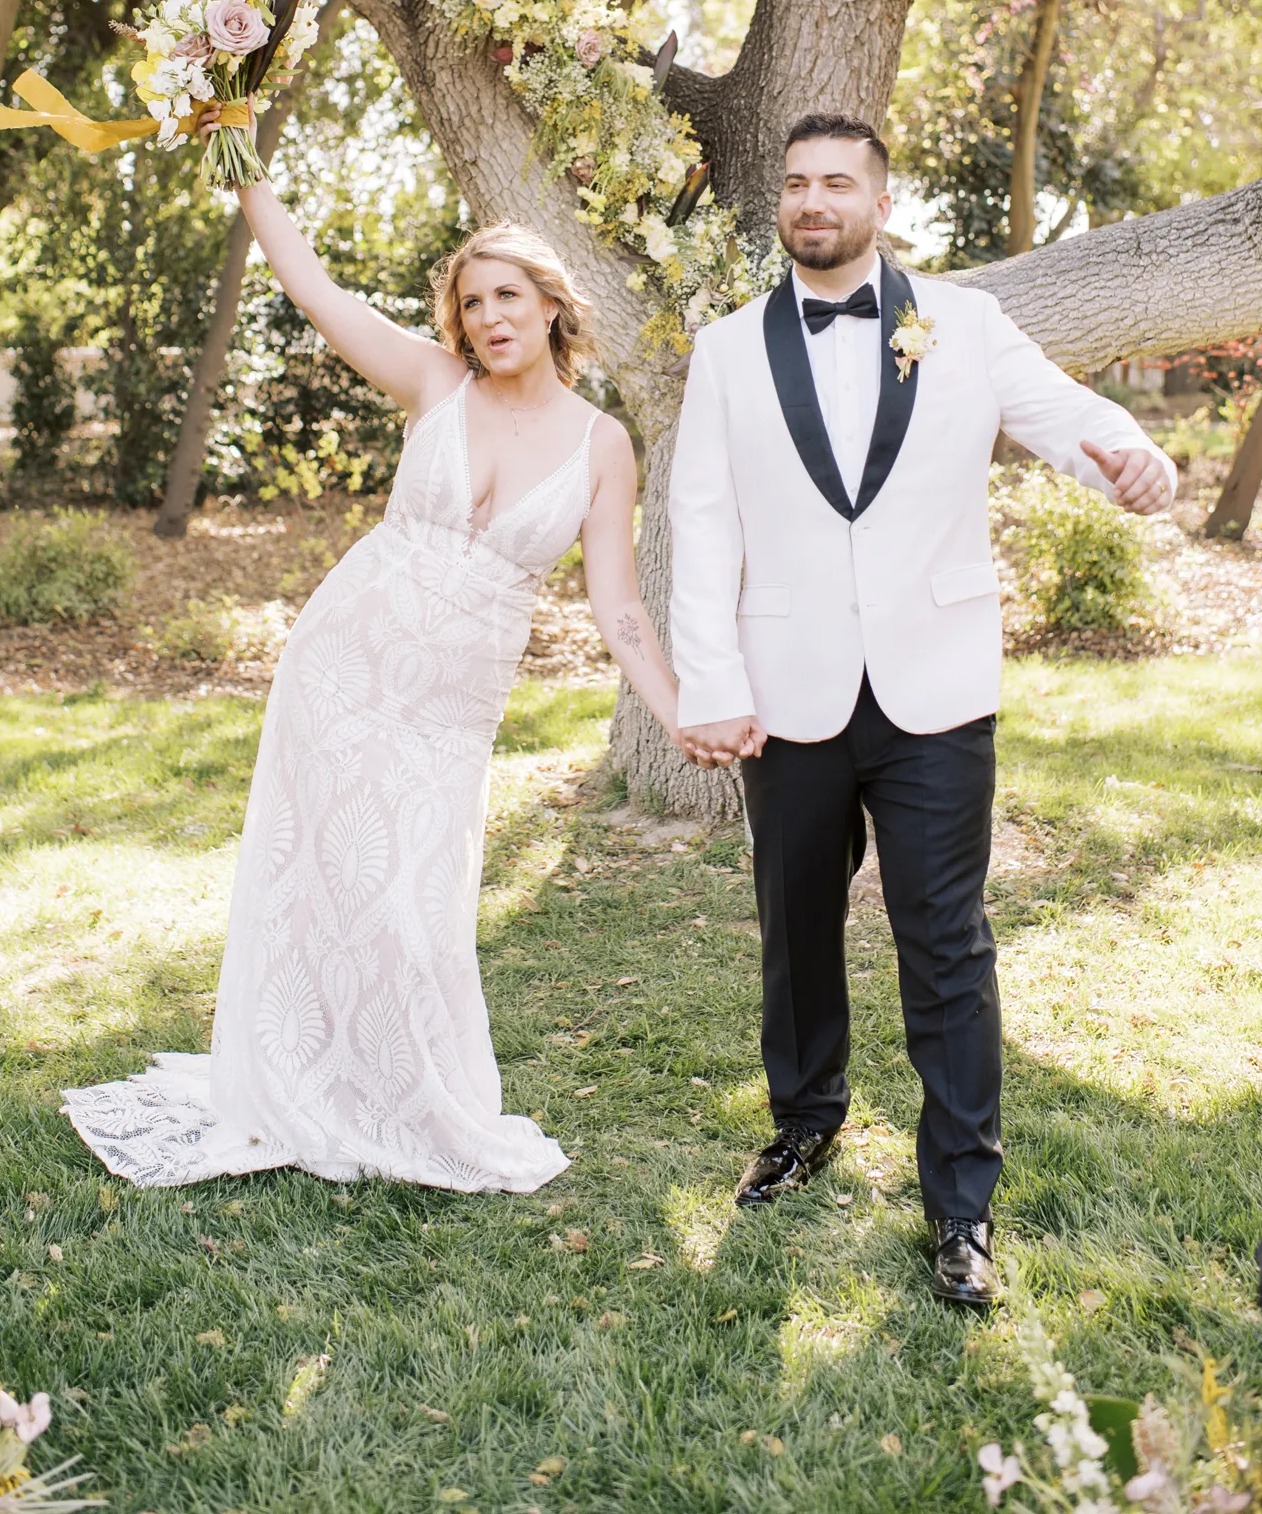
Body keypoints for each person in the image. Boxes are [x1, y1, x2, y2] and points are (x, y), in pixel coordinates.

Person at [64, 149, 680, 1193]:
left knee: (407, 903)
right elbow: (315, 289)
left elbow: (616, 602)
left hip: (449, 703)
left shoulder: (602, 444)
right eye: (471, 301)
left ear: (550, 308)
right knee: (322, 879)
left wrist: (674, 707)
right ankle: (302, 1075)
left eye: (507, 296)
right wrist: (245, 156)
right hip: (344, 664)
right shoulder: (434, 385)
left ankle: (396, 1093)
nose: (488, 317)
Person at [667, 113, 1174, 1306]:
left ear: (877, 204)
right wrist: (712, 680)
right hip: (786, 689)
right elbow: (700, 524)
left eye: (836, 182)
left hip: (934, 687)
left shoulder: (963, 322)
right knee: (794, 924)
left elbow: (1060, 414)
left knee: (944, 941)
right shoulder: (727, 350)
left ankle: (960, 1204)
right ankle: (803, 1125)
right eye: (794, 183)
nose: (812, 200)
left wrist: (1127, 451)